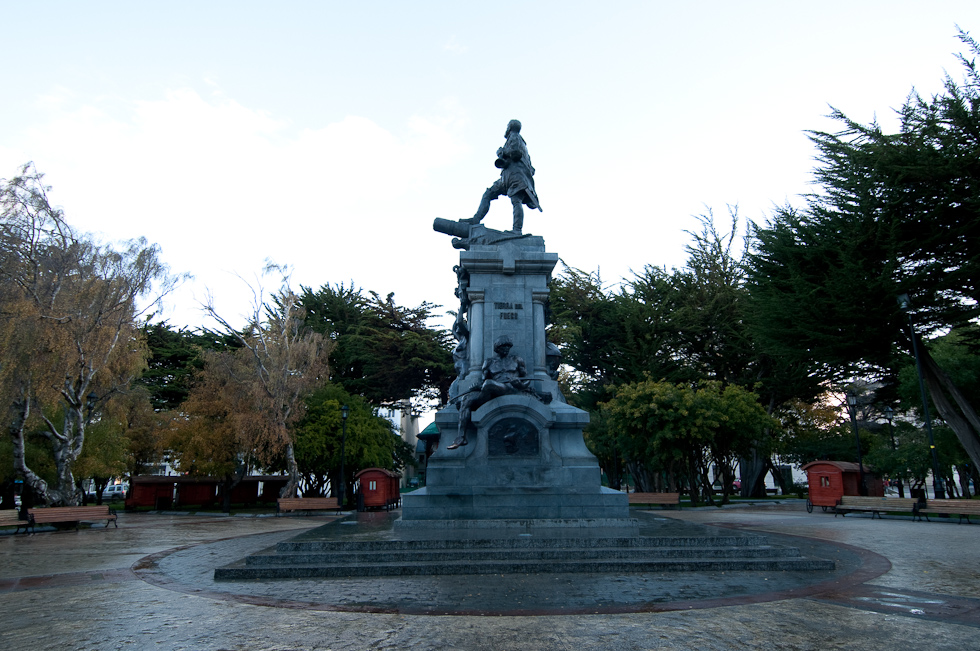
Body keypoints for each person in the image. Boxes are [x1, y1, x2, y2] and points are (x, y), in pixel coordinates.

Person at [447, 335, 549, 449]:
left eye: (508, 347)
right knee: (466, 399)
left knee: (489, 384)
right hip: (491, 390)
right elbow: (483, 381)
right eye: (503, 347)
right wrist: (475, 387)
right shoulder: (489, 362)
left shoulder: (516, 360)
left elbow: (527, 379)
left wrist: (519, 384)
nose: (506, 349)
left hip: (510, 388)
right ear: (497, 348)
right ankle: (461, 437)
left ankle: (480, 401)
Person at [464, 119, 541, 233]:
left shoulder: (514, 136)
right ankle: (476, 219)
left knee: (516, 200)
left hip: (515, 176)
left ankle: (517, 230)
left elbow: (515, 153)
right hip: (508, 176)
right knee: (490, 193)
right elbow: (532, 169)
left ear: (509, 128)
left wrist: (502, 151)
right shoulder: (523, 145)